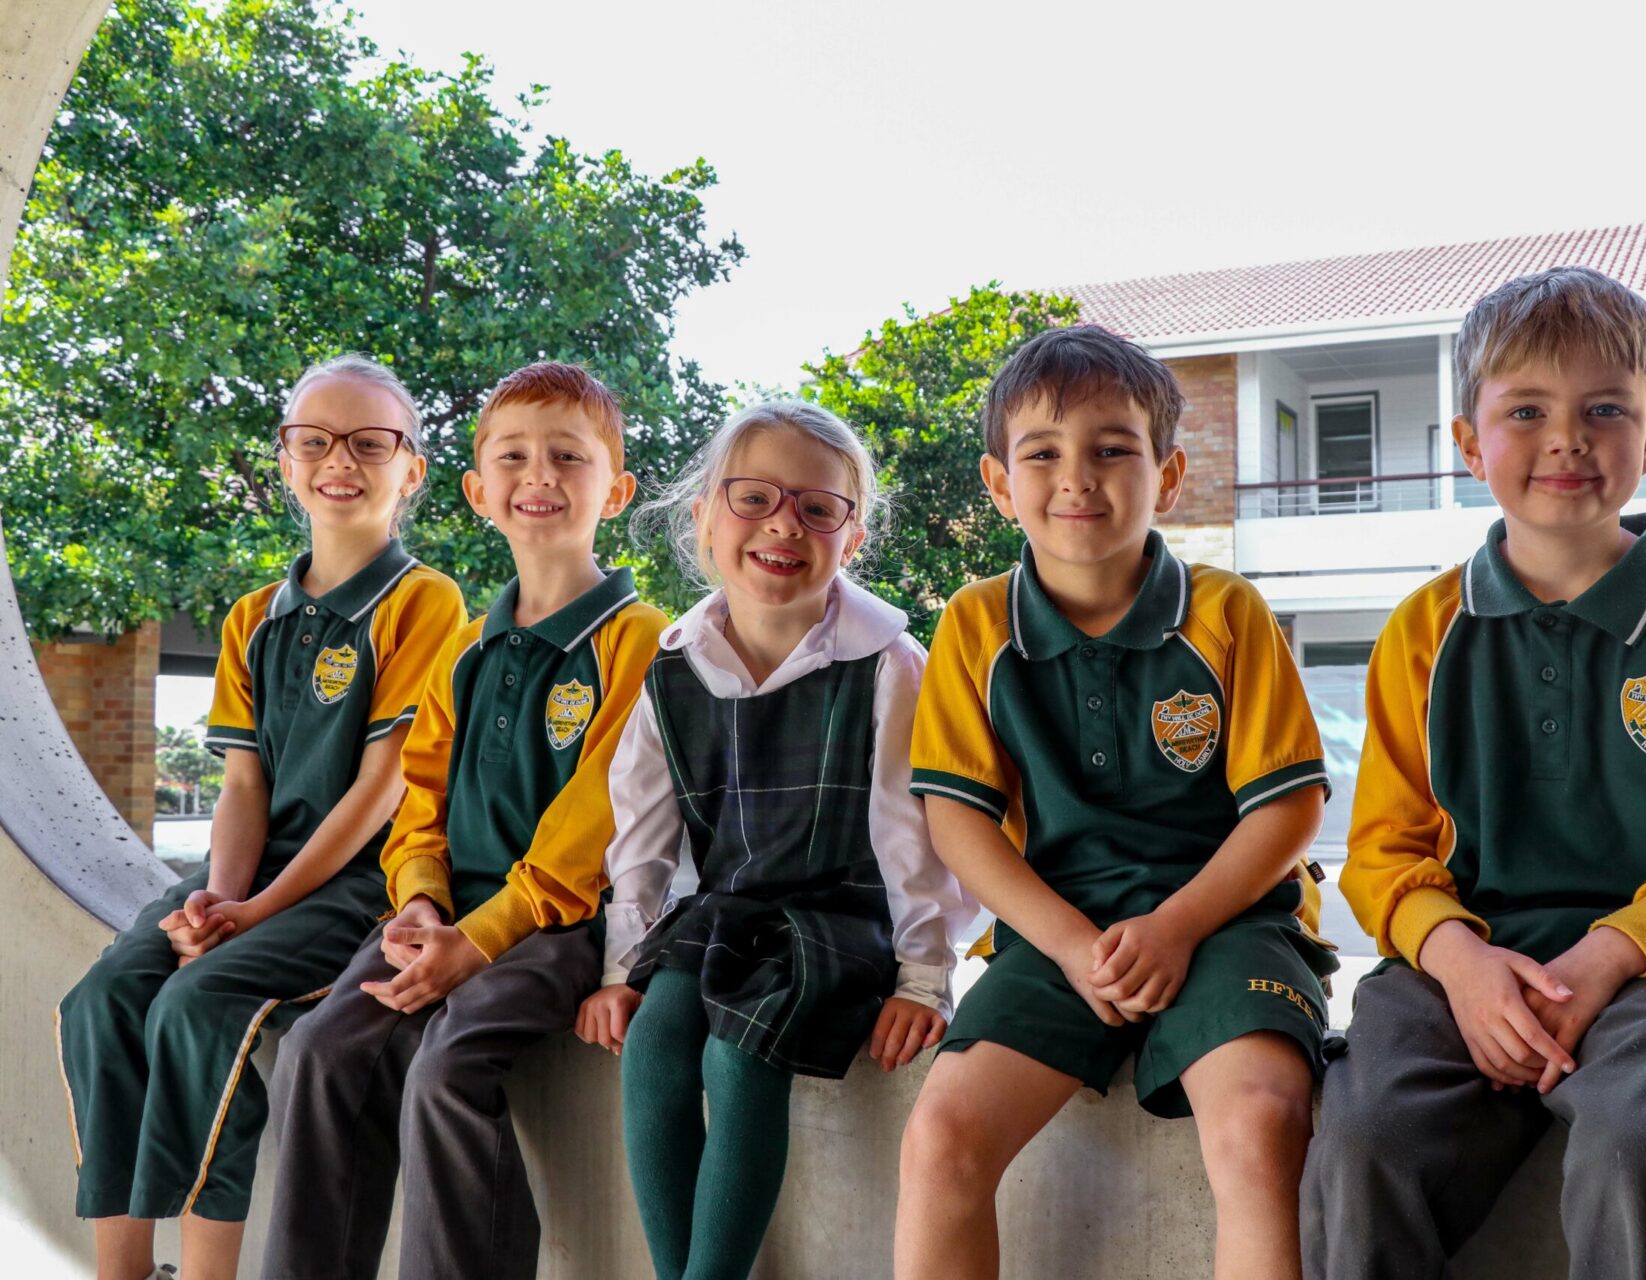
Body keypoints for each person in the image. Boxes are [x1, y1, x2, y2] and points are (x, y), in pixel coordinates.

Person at [1303, 266, 1646, 1280]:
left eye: (1604, 409)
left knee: (1637, 1146)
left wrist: (1611, 954)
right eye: (1526, 408)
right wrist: (1458, 960)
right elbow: (1383, 854)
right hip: (1459, 965)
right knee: (1361, 1146)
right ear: (1467, 441)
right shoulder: (1422, 631)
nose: (1567, 437)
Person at [894, 325, 1337, 1280]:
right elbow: (958, 822)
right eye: (1042, 452)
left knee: (1261, 1121)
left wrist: (1175, 927)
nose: (1077, 478)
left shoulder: (1227, 614)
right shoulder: (975, 623)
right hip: (1058, 935)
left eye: (1113, 449)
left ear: (1168, 475)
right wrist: (1067, 946)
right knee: (942, 1135)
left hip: (1226, 925)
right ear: (1000, 484)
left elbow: (1287, 811)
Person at [56, 355, 465, 1280]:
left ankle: (207, 1272)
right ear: (285, 461)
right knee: (104, 1000)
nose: (340, 461)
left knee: (201, 1007)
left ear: (413, 469)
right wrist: (217, 904)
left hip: (359, 881)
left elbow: (383, 790)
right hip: (255, 876)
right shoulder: (252, 616)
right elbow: (241, 786)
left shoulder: (424, 601)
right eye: (314, 440)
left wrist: (258, 910)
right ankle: (120, 1269)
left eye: (370, 442)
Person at [260, 362, 664, 1280]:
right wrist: (418, 903)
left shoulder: (640, 642)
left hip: (563, 928)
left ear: (618, 488)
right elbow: (419, 803)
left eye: (569, 455)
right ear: (479, 492)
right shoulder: (467, 651)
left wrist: (478, 941)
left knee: (443, 1074)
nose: (541, 476)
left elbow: (594, 826)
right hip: (446, 918)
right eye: (514, 457)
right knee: (321, 1051)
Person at [583, 399, 974, 1280]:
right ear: (705, 518)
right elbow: (641, 840)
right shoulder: (674, 670)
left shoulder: (885, 664)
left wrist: (924, 978)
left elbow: (917, 841)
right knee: (653, 1045)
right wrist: (621, 970)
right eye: (753, 498)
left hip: (843, 920)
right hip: (726, 914)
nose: (782, 525)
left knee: (742, 1051)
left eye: (816, 507)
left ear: (853, 536)